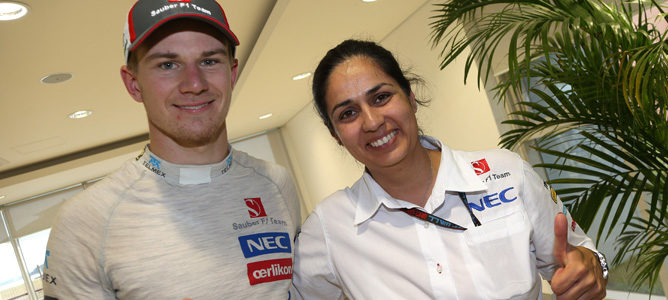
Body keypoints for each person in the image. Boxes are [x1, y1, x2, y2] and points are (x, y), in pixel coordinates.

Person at [291, 39, 608, 299]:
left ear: (411, 98)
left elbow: (584, 258)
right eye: (348, 113)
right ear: (335, 135)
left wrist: (592, 268)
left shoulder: (506, 173)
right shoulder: (329, 228)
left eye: (382, 97)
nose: (372, 122)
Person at [42, 0, 300, 298]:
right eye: (168, 64)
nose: (193, 83)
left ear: (231, 74)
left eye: (209, 61)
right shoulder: (86, 222)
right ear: (134, 84)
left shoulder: (277, 185)